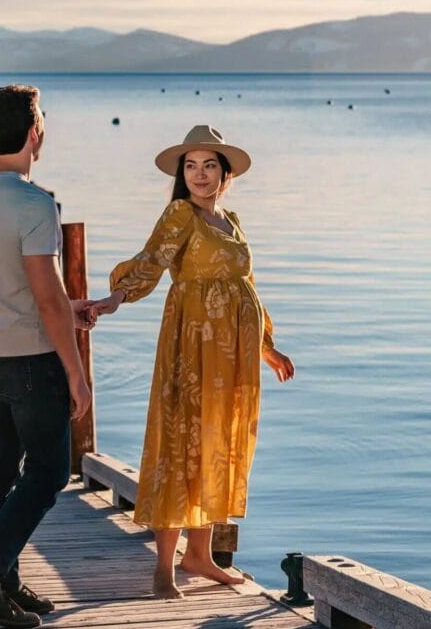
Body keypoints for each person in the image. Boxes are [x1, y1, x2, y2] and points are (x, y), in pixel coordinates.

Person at [92, 124, 294, 599]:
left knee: (217, 443)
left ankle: (199, 557)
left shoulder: (233, 220)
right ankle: (163, 566)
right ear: (182, 175)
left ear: (225, 174)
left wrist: (266, 345)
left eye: (209, 165)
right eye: (191, 166)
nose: (199, 174)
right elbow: (152, 261)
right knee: (181, 442)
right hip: (192, 345)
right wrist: (116, 297)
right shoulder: (181, 214)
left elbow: (248, 288)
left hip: (234, 357)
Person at [0, 84, 93, 629]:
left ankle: (1, 581)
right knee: (49, 472)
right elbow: (46, 296)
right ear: (36, 132)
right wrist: (76, 376)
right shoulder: (35, 203)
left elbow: (8, 281)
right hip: (30, 362)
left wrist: (67, 307)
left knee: (0, 466)